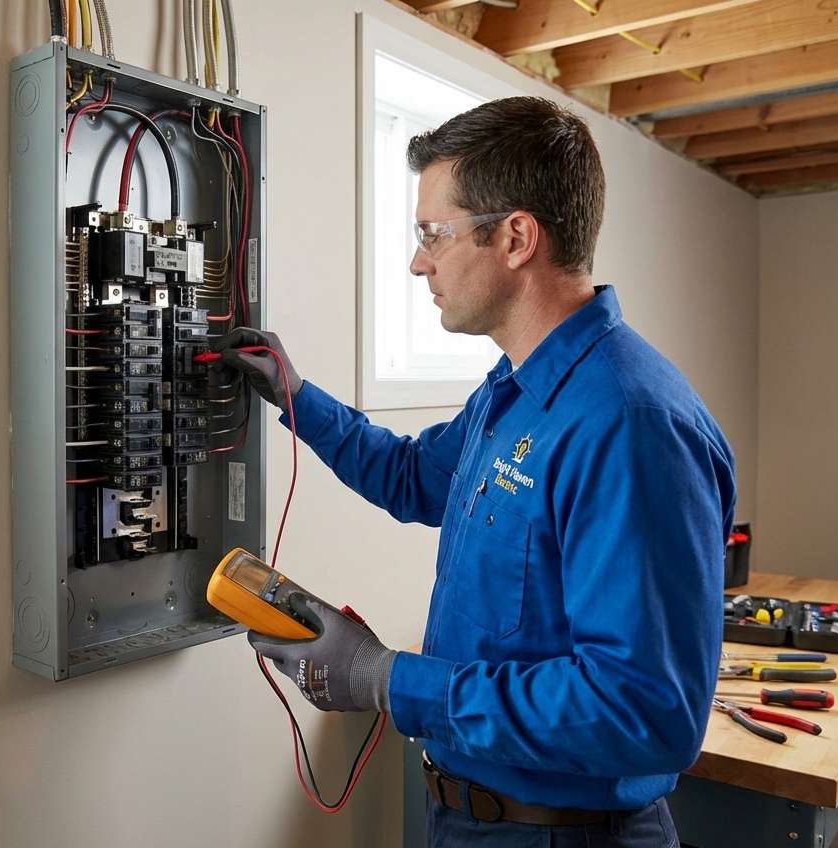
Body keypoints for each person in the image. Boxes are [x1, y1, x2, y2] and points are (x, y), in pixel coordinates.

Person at [209, 96, 735, 846]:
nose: (419, 260)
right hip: (465, 818)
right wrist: (296, 397)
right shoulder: (515, 388)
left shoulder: (630, 424)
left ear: (516, 237)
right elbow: (416, 478)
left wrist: (386, 678)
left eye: (434, 233)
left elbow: (644, 712)